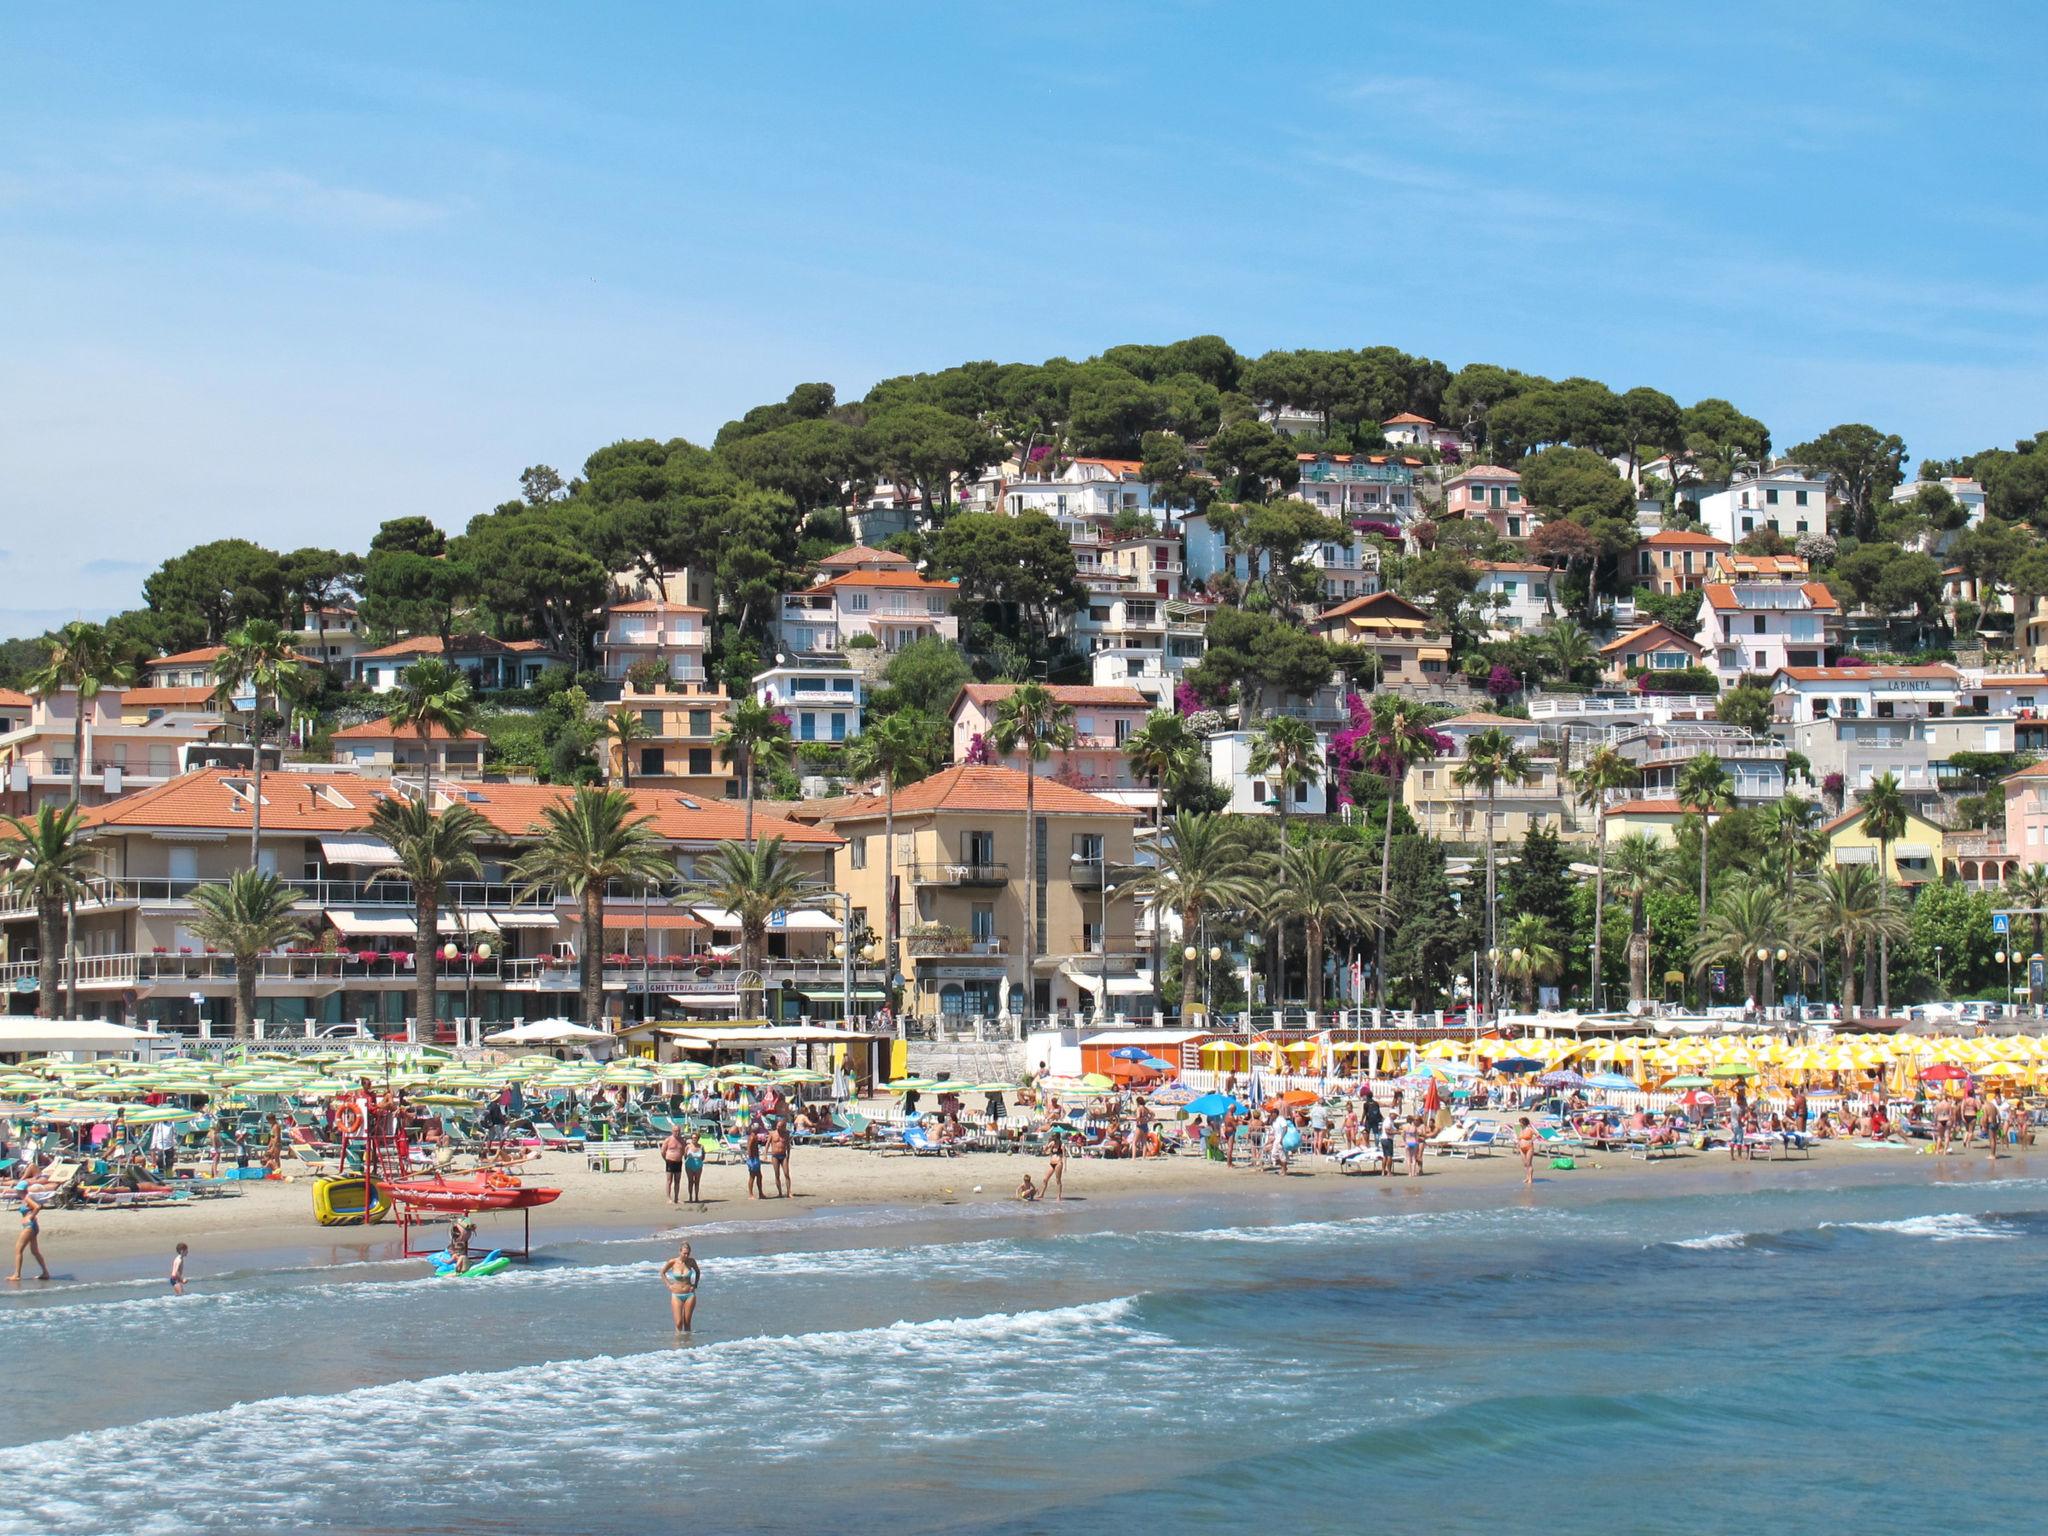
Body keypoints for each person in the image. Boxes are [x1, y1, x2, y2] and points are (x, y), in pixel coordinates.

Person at [661, 1242, 701, 1334]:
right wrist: (668, 1285)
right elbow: (662, 1272)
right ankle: (678, 1343)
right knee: (679, 1323)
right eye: (684, 1253)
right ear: (680, 1252)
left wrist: (695, 1285)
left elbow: (698, 1272)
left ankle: (687, 1344)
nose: (686, 1255)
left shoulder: (691, 1261)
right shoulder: (673, 1262)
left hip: (690, 1294)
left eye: (688, 1253)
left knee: (687, 1322)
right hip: (676, 1294)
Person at [10, 1190, 49, 1283]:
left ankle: (17, 1275)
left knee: (18, 1250)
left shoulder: (27, 1197)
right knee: (35, 1251)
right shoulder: (25, 1198)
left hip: (29, 1226)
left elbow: (37, 1207)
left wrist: (30, 1217)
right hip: (32, 1226)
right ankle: (45, 1273)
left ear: (21, 1190)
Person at [660, 1127, 687, 1205]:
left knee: (677, 1181)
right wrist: (666, 1159)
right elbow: (663, 1151)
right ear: (672, 1131)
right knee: (669, 1181)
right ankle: (668, 1198)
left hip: (678, 1162)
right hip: (670, 1161)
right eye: (675, 1131)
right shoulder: (668, 1140)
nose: (677, 1132)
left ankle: (676, 1198)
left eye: (678, 1131)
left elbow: (685, 1150)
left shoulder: (682, 1140)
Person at [768, 1120, 793, 1198]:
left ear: (783, 1127)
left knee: (786, 1174)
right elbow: (767, 1144)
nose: (778, 1127)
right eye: (777, 1126)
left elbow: (788, 1146)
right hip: (775, 1156)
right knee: (777, 1174)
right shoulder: (772, 1133)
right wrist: (765, 1154)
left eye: (779, 1126)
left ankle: (789, 1192)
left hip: (783, 1155)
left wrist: (788, 1156)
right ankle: (780, 1193)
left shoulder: (786, 1134)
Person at [742, 1122, 767, 1200]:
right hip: (753, 1159)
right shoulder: (752, 1137)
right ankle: (750, 1194)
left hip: (755, 1158)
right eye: (758, 1128)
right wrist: (750, 1159)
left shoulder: (754, 1136)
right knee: (752, 1176)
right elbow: (749, 1148)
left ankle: (760, 1193)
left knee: (759, 1176)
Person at [683, 1132, 706, 1203]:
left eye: (695, 1138)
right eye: (692, 1138)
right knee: (690, 1181)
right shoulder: (688, 1146)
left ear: (698, 1138)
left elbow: (703, 1157)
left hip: (698, 1165)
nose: (693, 1139)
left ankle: (696, 1197)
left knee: (697, 1181)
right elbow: (685, 1156)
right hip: (689, 1165)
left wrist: (699, 1161)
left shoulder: (701, 1146)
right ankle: (690, 1197)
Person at [1044, 1132, 1067, 1201]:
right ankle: (1042, 1194)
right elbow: (1045, 1150)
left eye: (1054, 1138)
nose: (1053, 1139)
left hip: (1058, 1163)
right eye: (1053, 1137)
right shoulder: (1052, 1143)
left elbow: (1064, 1156)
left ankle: (1059, 1196)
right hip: (1052, 1163)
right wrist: (1047, 1145)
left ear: (1058, 1138)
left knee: (1058, 1180)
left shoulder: (1062, 1145)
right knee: (1045, 1179)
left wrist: (1065, 1166)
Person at [1516, 1117, 1536, 1187]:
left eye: (1520, 1122)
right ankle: (1527, 1177)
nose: (1519, 1124)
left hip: (1529, 1148)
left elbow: (1537, 1134)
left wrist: (1532, 1140)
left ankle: (1530, 1178)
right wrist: (1518, 1145)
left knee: (1529, 1163)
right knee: (1525, 1164)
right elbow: (1519, 1138)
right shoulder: (1521, 1130)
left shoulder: (1529, 1129)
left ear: (1524, 1123)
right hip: (1522, 1148)